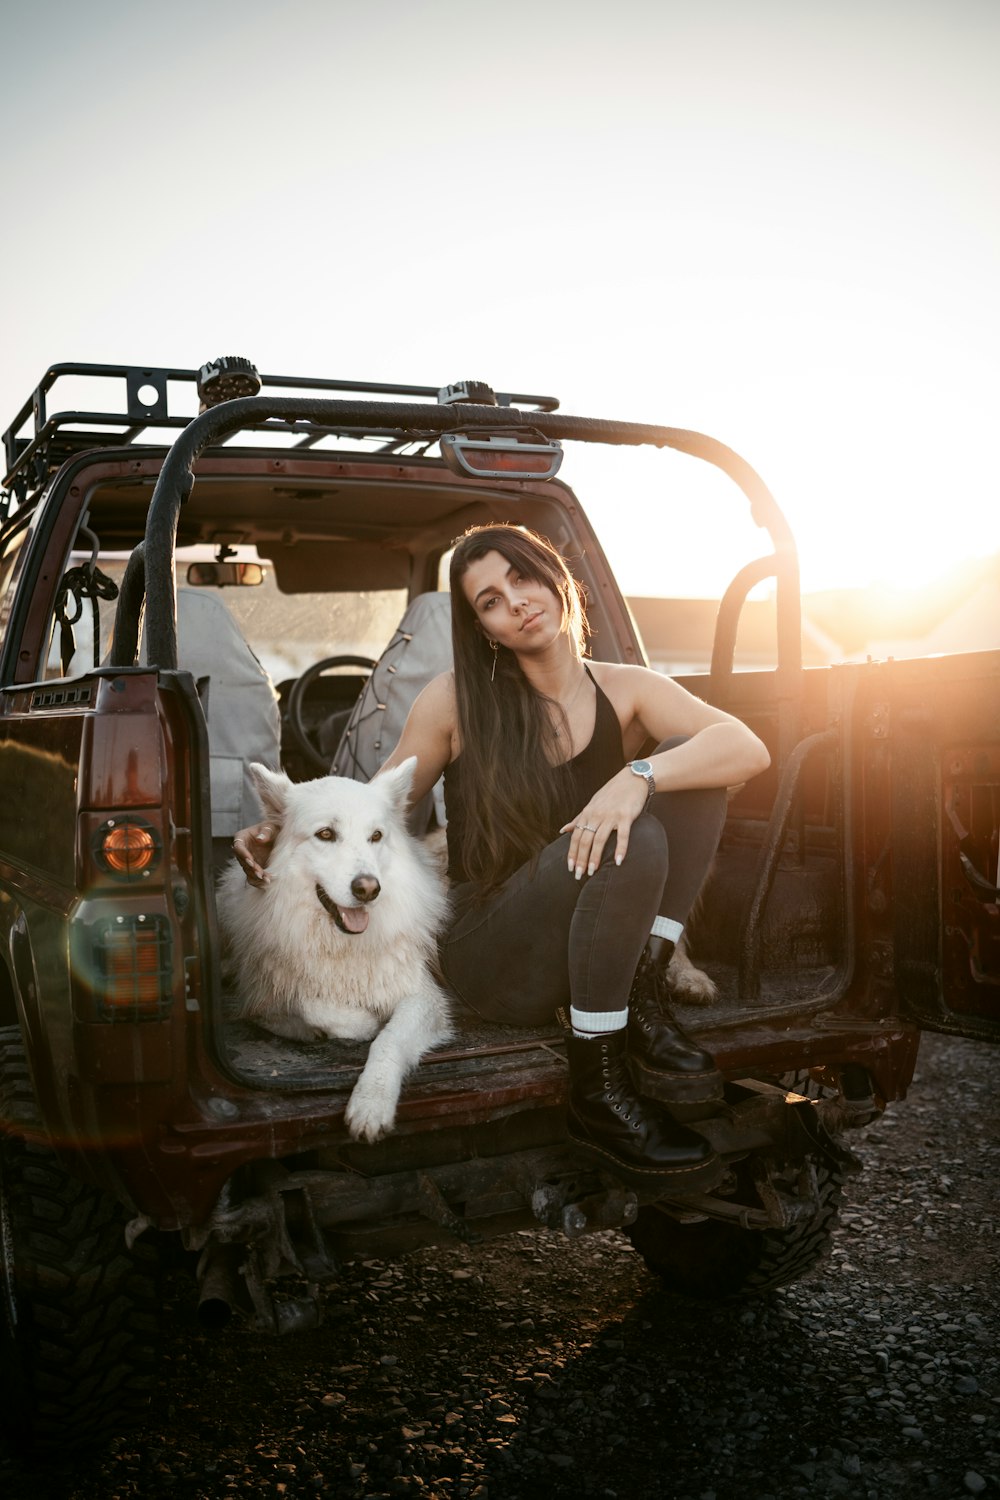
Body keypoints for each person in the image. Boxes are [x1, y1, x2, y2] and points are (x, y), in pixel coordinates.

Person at [235, 524, 771, 1194]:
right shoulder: (453, 700)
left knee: (690, 764)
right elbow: (370, 805)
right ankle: (598, 1092)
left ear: (556, 578)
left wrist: (635, 777)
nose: (514, 601)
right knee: (638, 842)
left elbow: (746, 747)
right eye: (489, 601)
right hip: (495, 954)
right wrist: (281, 826)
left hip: (599, 949)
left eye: (523, 577)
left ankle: (643, 991)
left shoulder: (627, 688)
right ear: (484, 629)